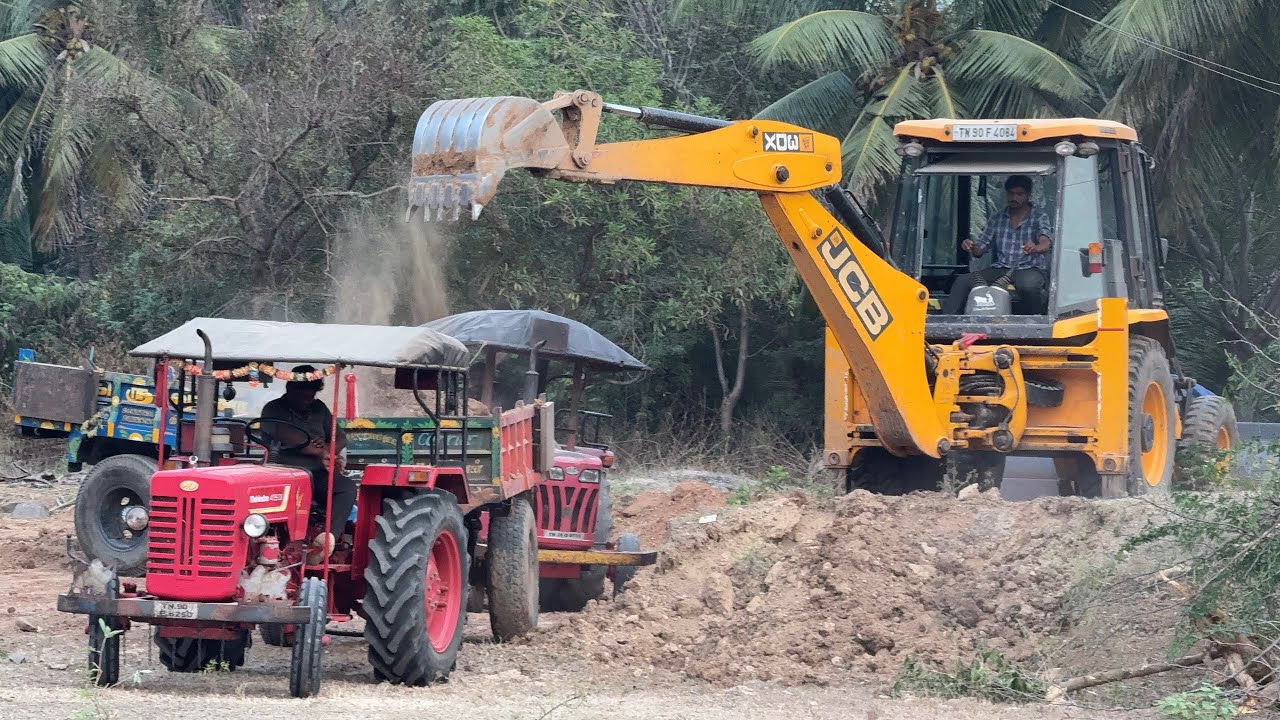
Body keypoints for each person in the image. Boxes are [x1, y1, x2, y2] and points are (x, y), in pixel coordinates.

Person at [259, 365, 354, 563]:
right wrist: (320, 450)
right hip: (282, 472)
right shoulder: (273, 408)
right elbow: (290, 437)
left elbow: (341, 438)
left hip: (316, 473)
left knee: (346, 488)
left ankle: (328, 539)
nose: (307, 399)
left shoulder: (319, 408)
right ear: (290, 389)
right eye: (302, 394)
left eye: (311, 395)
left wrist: (327, 448)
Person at [943, 175, 1053, 315]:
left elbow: (1046, 242)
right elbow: (980, 250)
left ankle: (1037, 319)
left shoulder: (1039, 216)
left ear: (1028, 195)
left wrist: (1035, 248)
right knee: (962, 280)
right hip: (1001, 268)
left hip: (1030, 268)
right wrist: (971, 246)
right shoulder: (997, 217)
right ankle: (947, 320)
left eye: (1019, 194)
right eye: (1011, 193)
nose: (1014, 197)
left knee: (1028, 286)